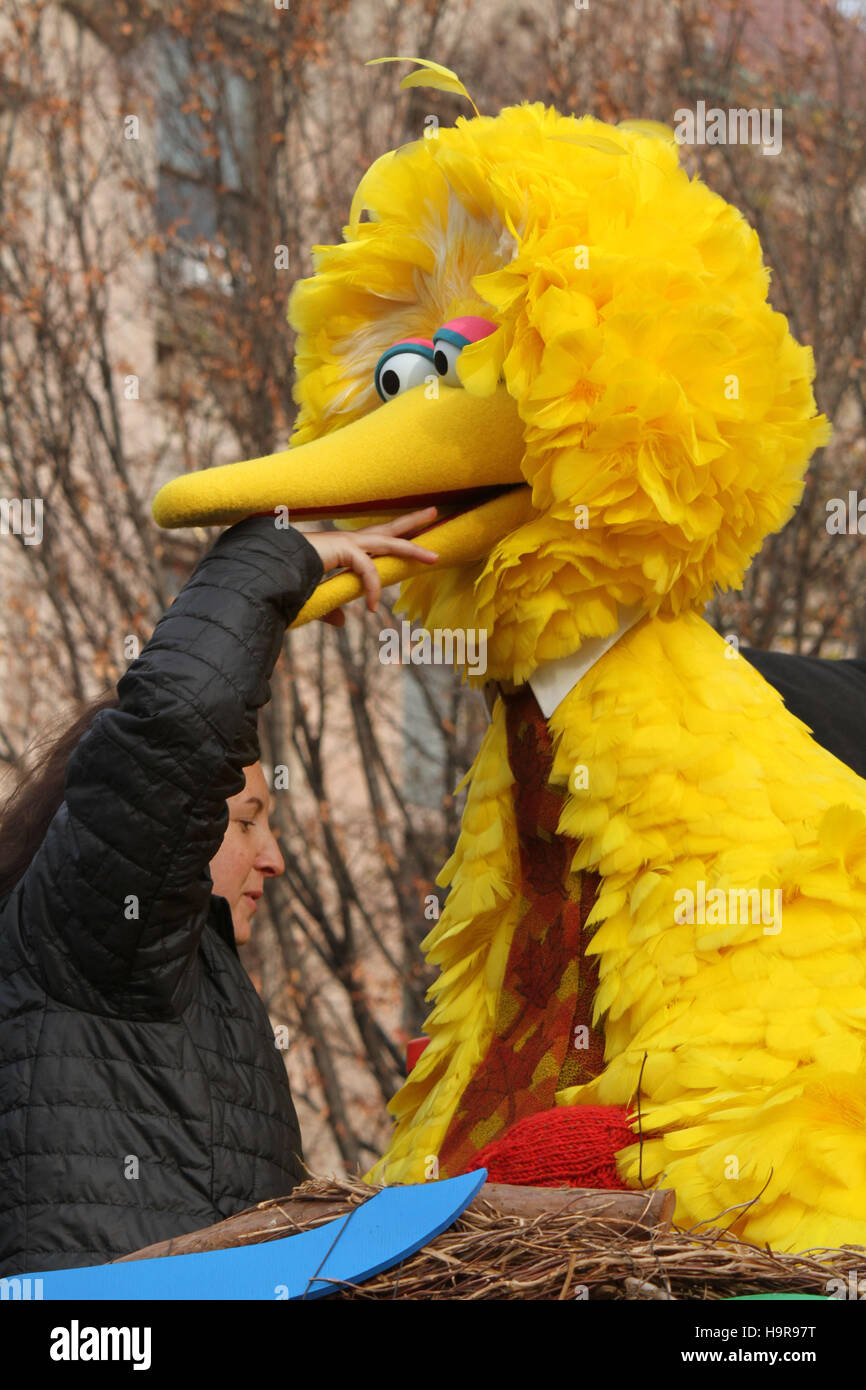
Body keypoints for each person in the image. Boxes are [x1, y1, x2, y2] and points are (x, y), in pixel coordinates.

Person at [0, 507, 438, 1276]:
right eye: (245, 822)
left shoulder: (173, 976)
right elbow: (178, 723)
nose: (272, 858)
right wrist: (274, 559)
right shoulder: (103, 933)